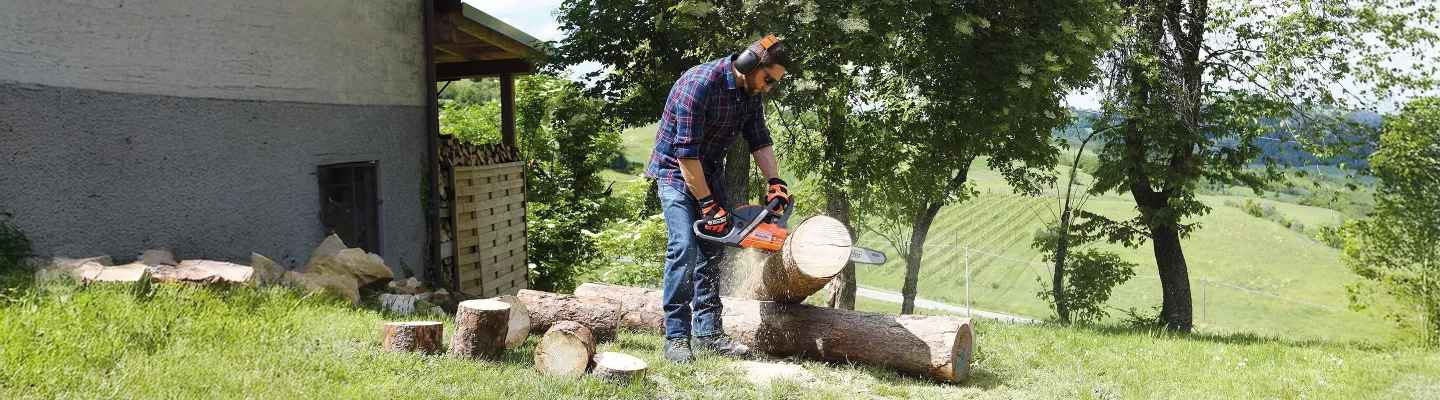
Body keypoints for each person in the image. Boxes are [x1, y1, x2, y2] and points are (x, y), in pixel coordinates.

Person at [644, 35, 793, 363]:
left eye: (774, 83)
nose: (768, 87)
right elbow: (685, 155)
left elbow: (759, 137)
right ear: (749, 64)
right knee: (684, 247)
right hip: (675, 172)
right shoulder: (699, 85)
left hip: (709, 172)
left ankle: (709, 333)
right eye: (768, 79)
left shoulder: (750, 93)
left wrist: (775, 182)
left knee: (713, 253)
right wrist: (709, 205)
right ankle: (676, 337)